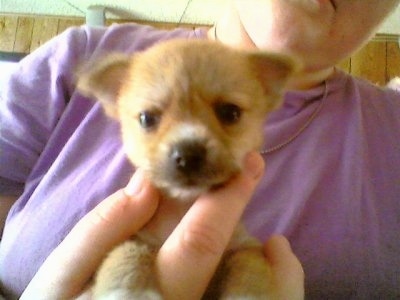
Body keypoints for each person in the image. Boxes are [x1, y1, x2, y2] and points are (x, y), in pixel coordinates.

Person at [0, 0, 399, 298]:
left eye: (227, 112)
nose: (188, 144)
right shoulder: (72, 59)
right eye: (150, 119)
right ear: (115, 98)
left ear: (268, 89)